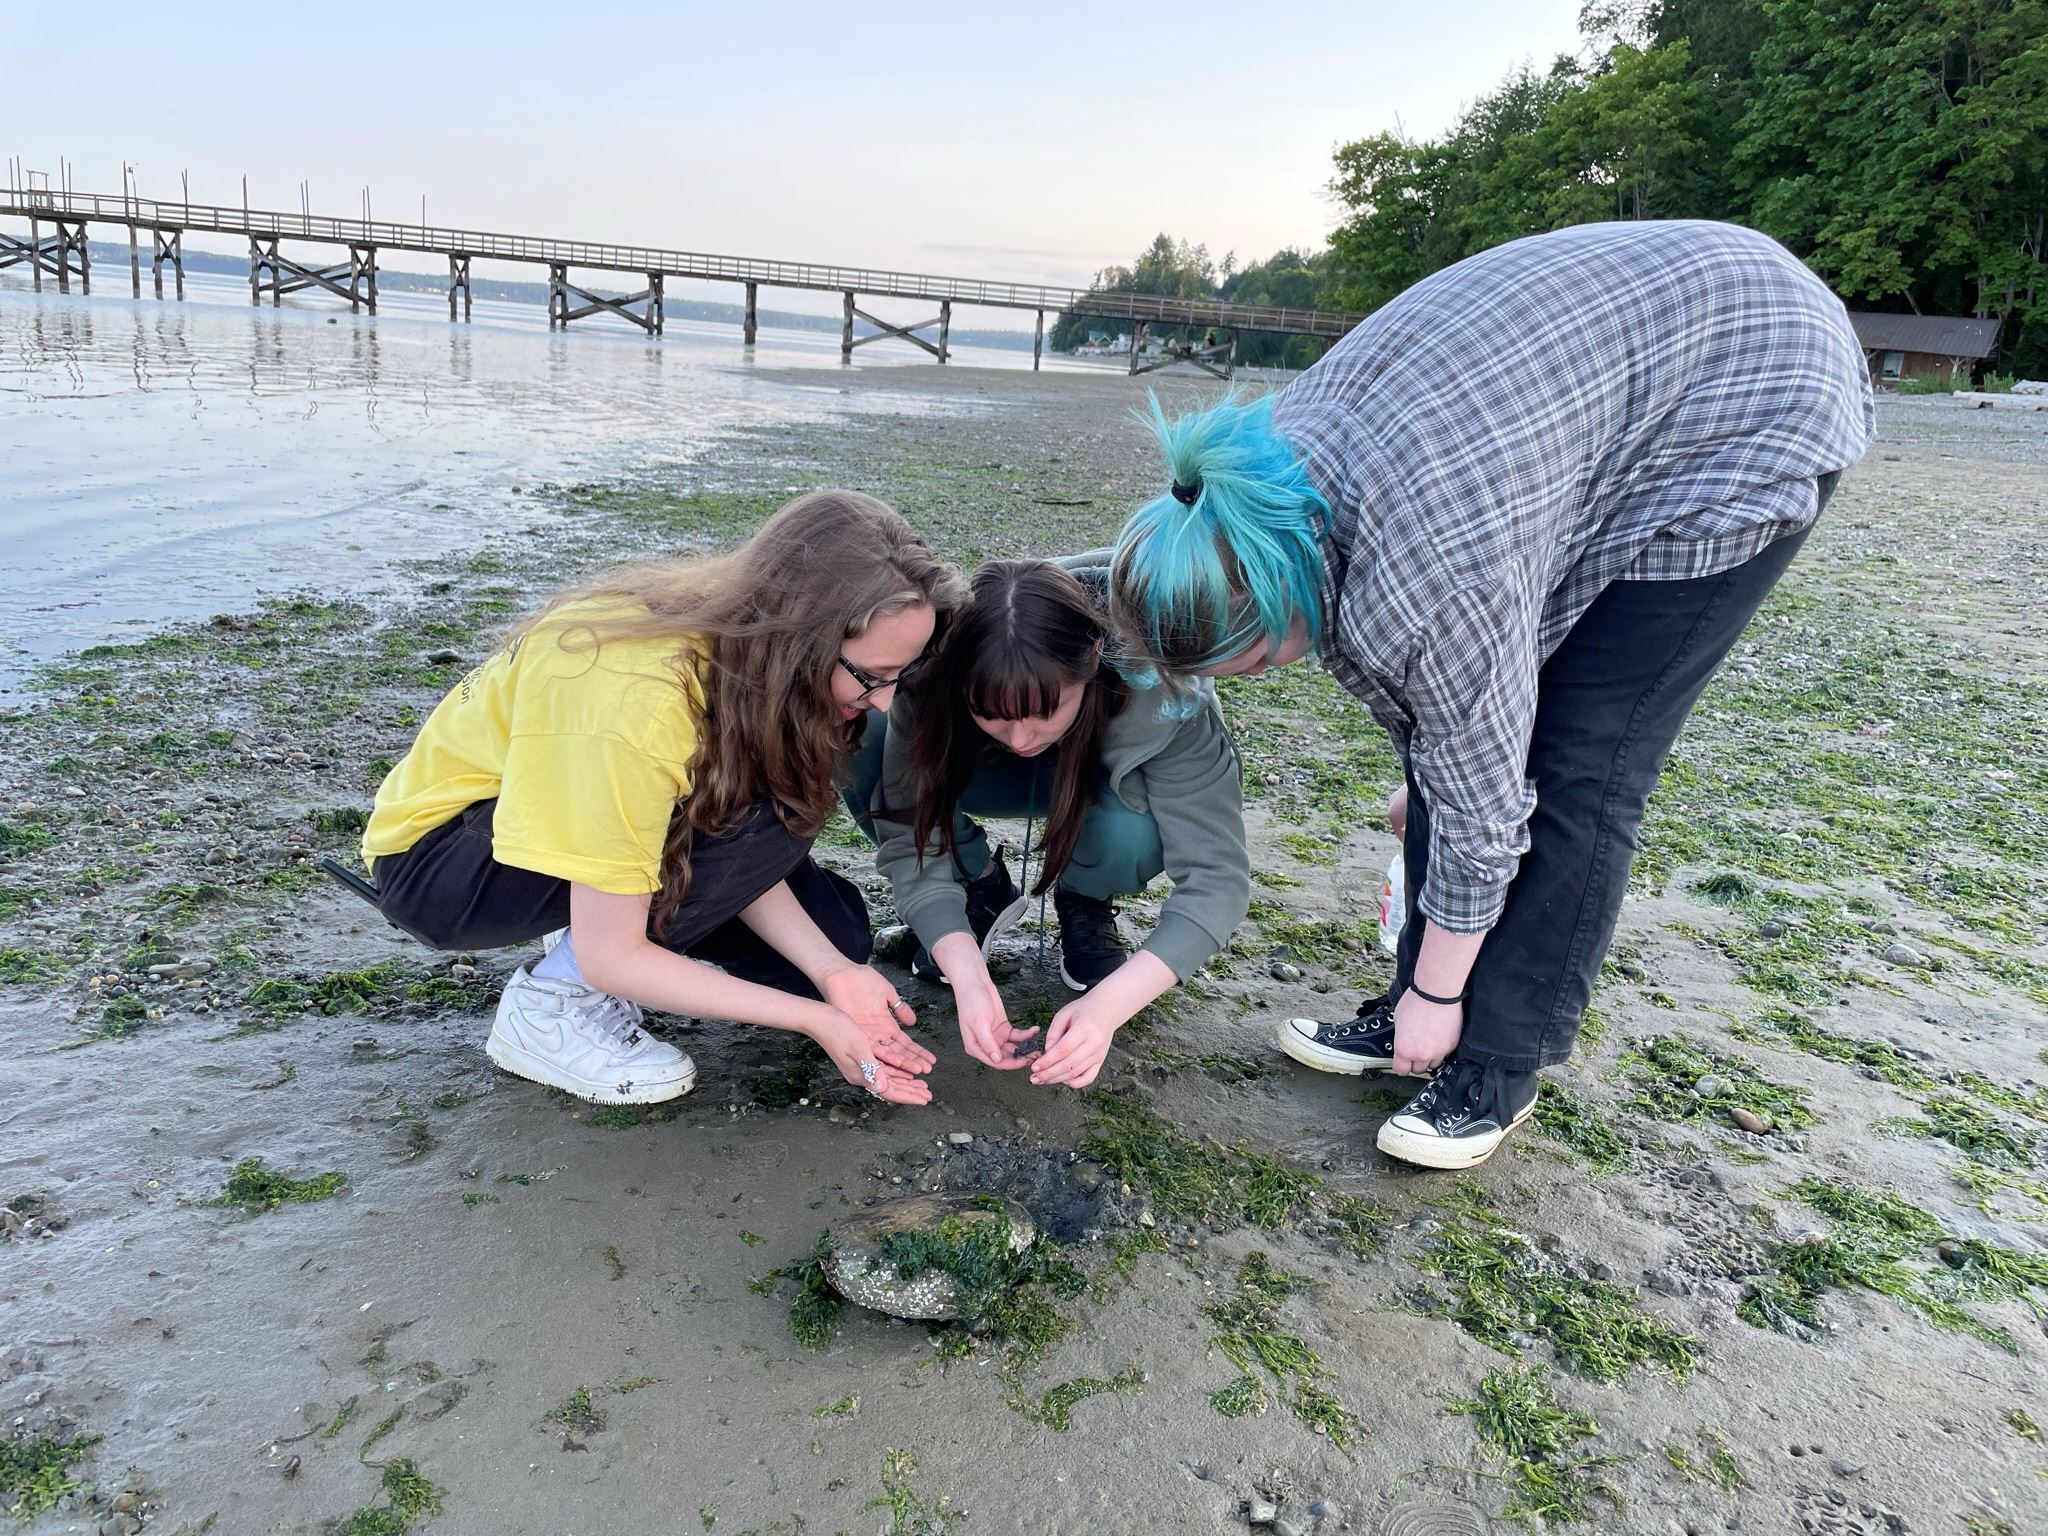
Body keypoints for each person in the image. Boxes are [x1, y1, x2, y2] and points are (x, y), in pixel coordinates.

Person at [1108, 220, 1874, 1169]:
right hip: (1585, 387)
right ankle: (1415, 1015)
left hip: (1745, 399)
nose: (1265, 679)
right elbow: (1450, 718)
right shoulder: (1244, 489)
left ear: (1281, 584)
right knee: (1476, 760)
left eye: (1259, 663)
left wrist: (1443, 973)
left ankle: (1498, 1066)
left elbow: (1480, 784)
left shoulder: (1429, 576)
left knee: (1584, 755)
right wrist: (1434, 776)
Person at [360, 491, 967, 1108]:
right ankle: (549, 1008)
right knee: (776, 819)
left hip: (543, 818)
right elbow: (636, 935)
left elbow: (741, 852)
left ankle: (594, 904)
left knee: (839, 938)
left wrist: (835, 975)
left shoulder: (742, 656)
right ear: (800, 639)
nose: (886, 702)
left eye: (901, 676)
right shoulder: (637, 700)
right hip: (441, 865)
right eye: (872, 677)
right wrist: (817, 1022)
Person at [846, 557, 1251, 1091]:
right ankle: (978, 888)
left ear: (1091, 658)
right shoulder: (925, 671)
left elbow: (1217, 880)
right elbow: (908, 829)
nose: (1020, 739)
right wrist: (966, 970)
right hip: (981, 773)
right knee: (859, 740)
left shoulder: (1169, 694)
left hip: (1104, 777)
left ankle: (1085, 898)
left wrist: (1108, 1006)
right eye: (992, 713)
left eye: (1045, 710)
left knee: (1132, 831)